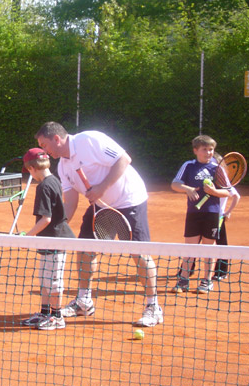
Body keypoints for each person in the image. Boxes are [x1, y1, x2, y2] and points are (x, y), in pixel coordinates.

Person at [34, 121, 163, 328]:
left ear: (56, 139)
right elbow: (71, 203)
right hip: (102, 208)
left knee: (139, 254)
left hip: (130, 200)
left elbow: (124, 159)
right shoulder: (63, 167)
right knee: (85, 250)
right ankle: (84, 302)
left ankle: (153, 307)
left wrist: (101, 188)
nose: (44, 151)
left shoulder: (89, 140)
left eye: (44, 145)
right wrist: (56, 228)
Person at [20, 148, 75, 330]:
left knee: (53, 281)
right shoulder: (54, 180)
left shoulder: (43, 186)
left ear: (31, 169)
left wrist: (28, 237)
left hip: (55, 239)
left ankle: (57, 316)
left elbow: (46, 218)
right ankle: (45, 312)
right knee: (45, 278)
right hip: (49, 239)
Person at [171, 138, 232, 293]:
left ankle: (206, 281)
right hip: (193, 213)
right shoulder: (189, 166)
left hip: (211, 213)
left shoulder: (217, 168)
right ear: (195, 150)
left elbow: (228, 191)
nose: (209, 153)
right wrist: (187, 189)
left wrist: (215, 192)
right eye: (204, 149)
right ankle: (183, 280)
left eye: (211, 149)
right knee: (189, 248)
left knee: (208, 248)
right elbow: (174, 184)